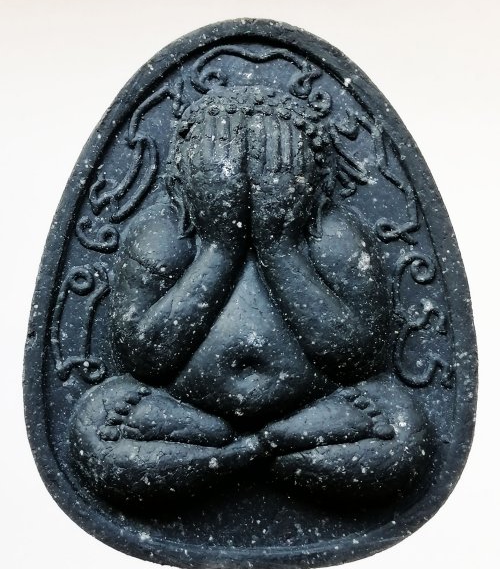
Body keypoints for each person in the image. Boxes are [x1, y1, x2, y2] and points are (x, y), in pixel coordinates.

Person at [70, 86, 428, 504]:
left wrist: (280, 247)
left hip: (315, 412)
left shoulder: (333, 234)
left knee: (402, 432)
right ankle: (249, 455)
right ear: (183, 176)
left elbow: (357, 358)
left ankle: (244, 453)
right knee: (96, 424)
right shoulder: (161, 233)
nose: (246, 179)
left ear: (312, 177)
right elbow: (143, 359)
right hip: (182, 414)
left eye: (275, 162)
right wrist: (219, 245)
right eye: (219, 162)